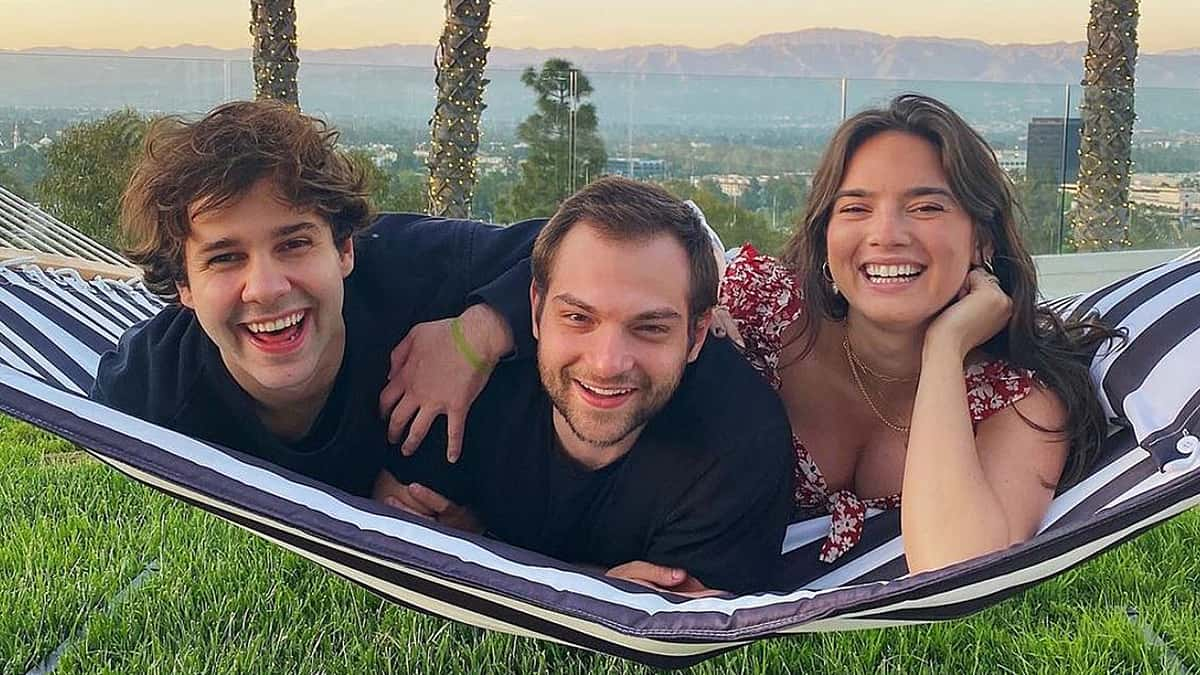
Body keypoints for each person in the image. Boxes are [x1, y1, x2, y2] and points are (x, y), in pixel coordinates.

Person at [713, 94, 1119, 572]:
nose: (887, 234)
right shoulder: (759, 312)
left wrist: (946, 348)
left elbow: (954, 569)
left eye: (926, 207)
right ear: (825, 236)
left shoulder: (1015, 400)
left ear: (981, 239)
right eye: (855, 209)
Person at [90, 100, 540, 499]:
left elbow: (581, 253)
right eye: (225, 258)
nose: (266, 288)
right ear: (183, 285)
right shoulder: (146, 396)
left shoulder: (415, 268)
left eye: (294, 244)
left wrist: (477, 334)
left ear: (345, 249)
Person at [379, 177, 795, 595]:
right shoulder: (462, 383)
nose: (607, 363)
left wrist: (488, 549)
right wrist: (598, 586)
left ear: (698, 333)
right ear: (536, 310)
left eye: (649, 327)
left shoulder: (741, 440)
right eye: (578, 318)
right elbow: (393, 505)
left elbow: (682, 612)